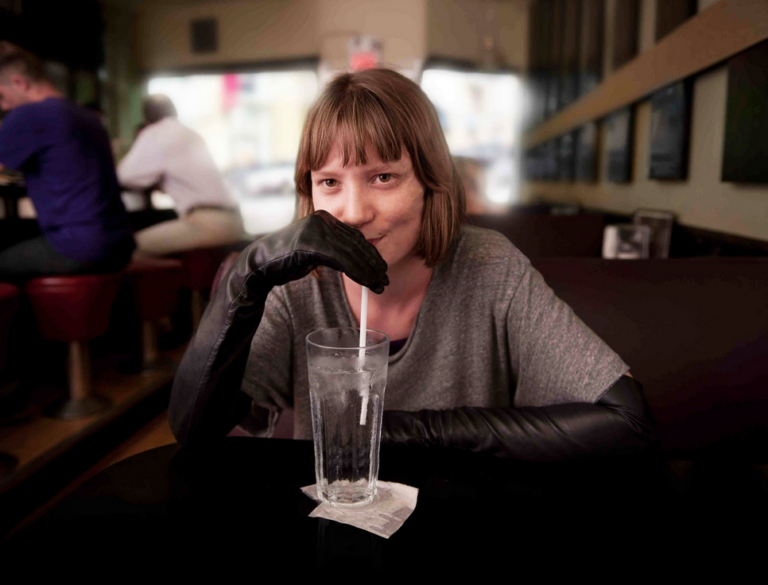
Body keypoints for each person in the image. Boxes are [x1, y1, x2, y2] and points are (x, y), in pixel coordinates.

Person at [169, 69, 656, 460]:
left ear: (430, 180)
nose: (353, 213)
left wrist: (403, 430)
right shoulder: (296, 286)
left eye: (383, 177)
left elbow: (627, 420)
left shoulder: (490, 267)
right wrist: (247, 274)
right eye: (330, 182)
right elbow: (194, 430)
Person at [0, 42, 135, 281]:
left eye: (1, 96)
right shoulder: (88, 117)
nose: (3, 106)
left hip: (79, 246)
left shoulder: (29, 114)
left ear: (20, 82)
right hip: (120, 244)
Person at [117, 94, 244, 257]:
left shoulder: (155, 132)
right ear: (174, 112)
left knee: (127, 249)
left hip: (206, 223)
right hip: (233, 220)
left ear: (146, 119)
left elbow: (124, 176)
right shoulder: (191, 134)